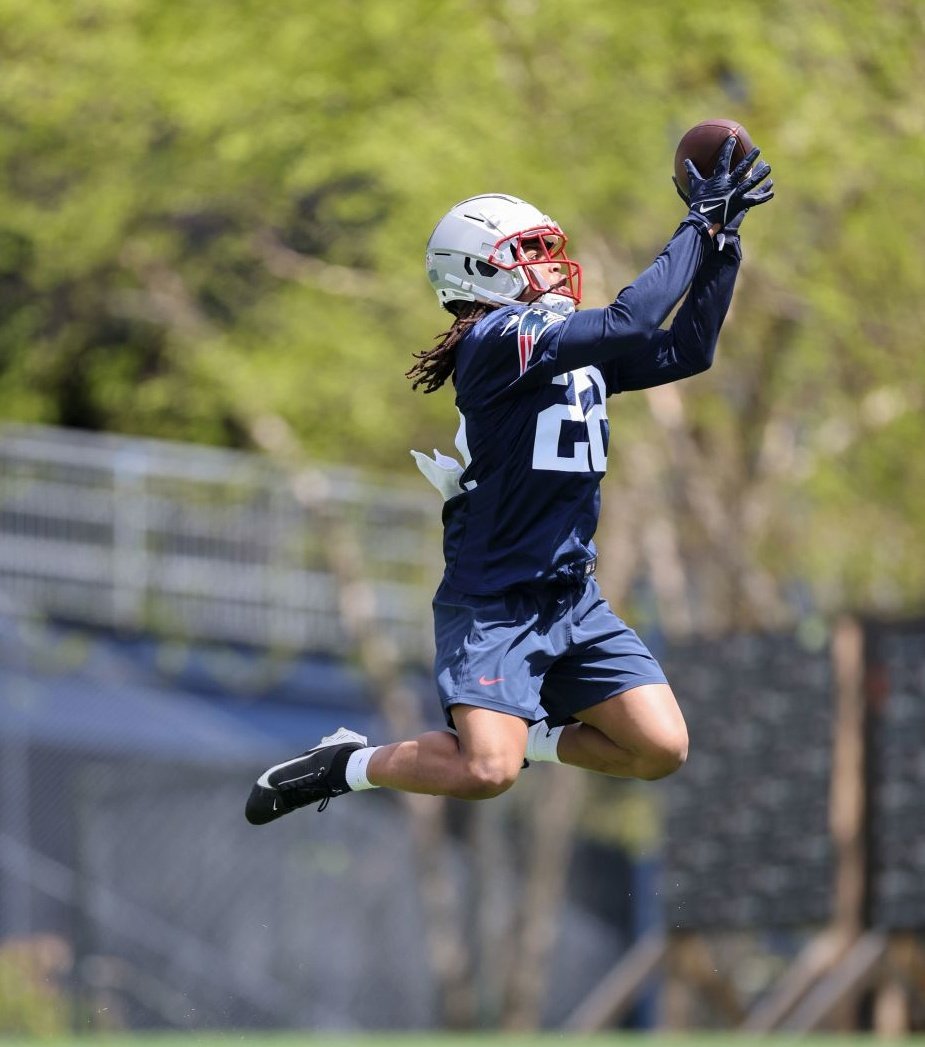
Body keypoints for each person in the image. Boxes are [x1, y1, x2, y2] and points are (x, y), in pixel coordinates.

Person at [245, 134, 773, 825]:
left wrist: (723, 239)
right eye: (530, 255)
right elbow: (633, 317)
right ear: (475, 272)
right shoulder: (494, 343)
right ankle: (343, 764)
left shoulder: (552, 340)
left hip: (569, 595)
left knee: (659, 747)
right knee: (485, 770)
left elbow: (686, 347)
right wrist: (696, 223)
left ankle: (536, 735)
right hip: (494, 598)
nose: (551, 268)